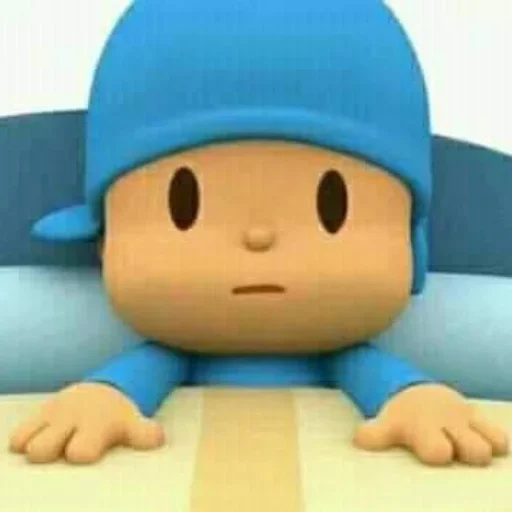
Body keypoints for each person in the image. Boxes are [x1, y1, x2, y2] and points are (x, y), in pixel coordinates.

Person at [9, 0, 508, 466]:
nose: (259, 235)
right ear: (105, 239)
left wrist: (417, 397)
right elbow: (128, 381)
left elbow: (387, 381)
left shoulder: (351, 355)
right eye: (185, 207)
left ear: (413, 244)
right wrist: (103, 395)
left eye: (331, 209)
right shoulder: (162, 353)